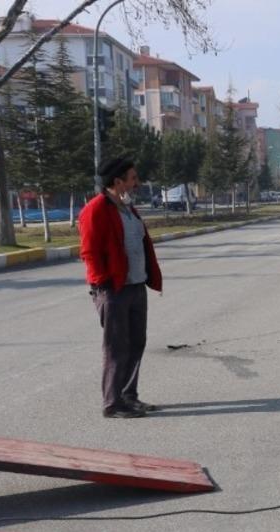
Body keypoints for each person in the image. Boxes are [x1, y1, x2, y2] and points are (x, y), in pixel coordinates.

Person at [80, 156, 163, 419]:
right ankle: (112, 404)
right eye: (133, 178)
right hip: (113, 290)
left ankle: (129, 397)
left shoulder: (127, 207)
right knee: (116, 348)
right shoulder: (96, 209)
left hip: (136, 286)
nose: (137, 182)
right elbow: (89, 251)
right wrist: (104, 283)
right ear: (118, 182)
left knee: (136, 343)